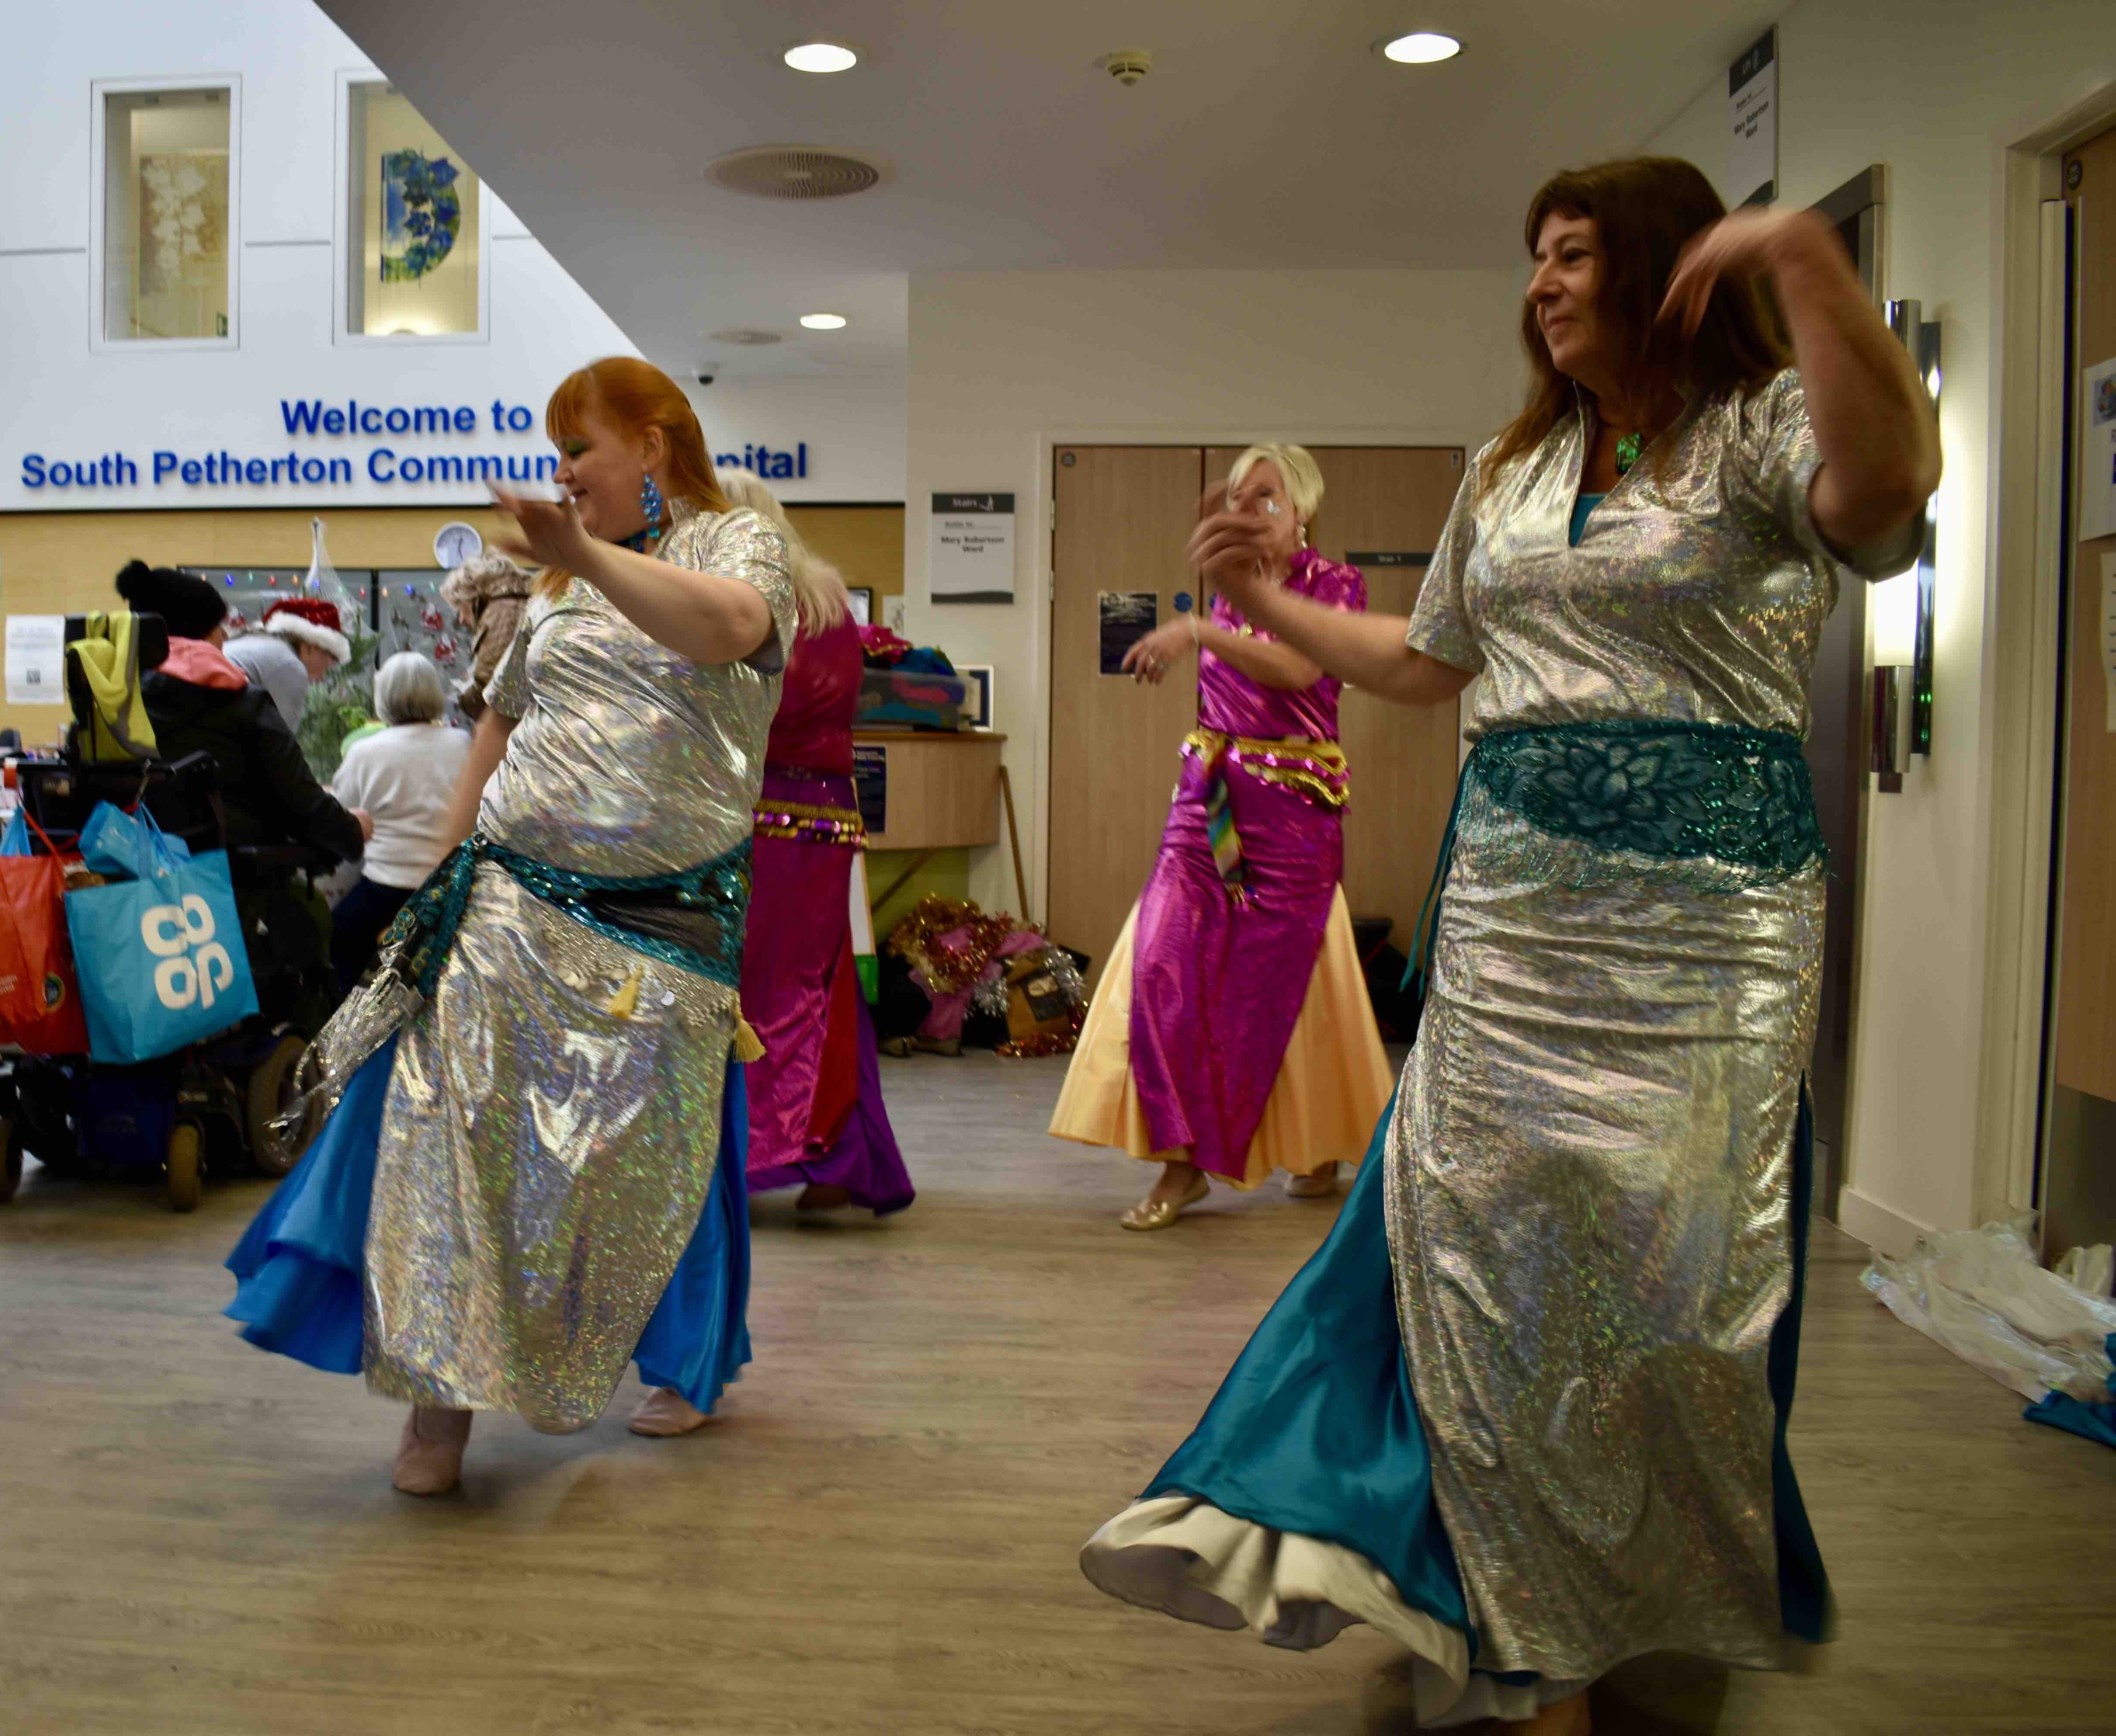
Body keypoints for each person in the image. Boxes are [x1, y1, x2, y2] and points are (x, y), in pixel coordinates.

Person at [1079, 158, 1940, 1734]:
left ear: (1673, 269)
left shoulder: (1755, 432)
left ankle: (1632, 1587)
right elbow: (1419, 666)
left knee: (1672, 1290)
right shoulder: (1514, 466)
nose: (1540, 285)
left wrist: (1813, 265)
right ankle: (1508, 1624)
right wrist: (1256, 595)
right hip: (1514, 917)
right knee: (1488, 1270)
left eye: (1573, 255)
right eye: (1532, 258)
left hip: (1707, 936)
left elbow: (1883, 497)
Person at [225, 356, 791, 1495]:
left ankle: (674, 1357)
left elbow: (730, 630)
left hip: (659, 921)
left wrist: (583, 554)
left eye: (579, 448)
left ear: (655, 445)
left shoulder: (734, 545)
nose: (563, 474)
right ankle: (437, 1405)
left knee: (636, 1164)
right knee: (444, 1127)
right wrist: (435, 880)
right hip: (508, 900)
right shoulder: (555, 587)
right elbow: (500, 725)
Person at [1048, 447, 1392, 1229]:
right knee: (1164, 962)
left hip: (1295, 817)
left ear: (1302, 507)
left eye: (1265, 496)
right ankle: (1182, 1161)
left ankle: (1311, 1143)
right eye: (1237, 497)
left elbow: (1299, 670)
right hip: (1209, 804)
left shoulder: (1333, 586)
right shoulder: (1230, 592)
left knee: (1282, 989)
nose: (1248, 509)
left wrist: (1198, 628)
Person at [717, 468, 914, 1218]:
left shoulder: (759, 607)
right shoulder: (830, 603)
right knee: (822, 989)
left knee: (760, 992)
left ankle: (757, 1152)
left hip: (762, 822)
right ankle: (833, 1156)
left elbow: (748, 717)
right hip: (825, 821)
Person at [113, 562, 367, 866]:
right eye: (218, 626)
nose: (226, 637)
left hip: (129, 867)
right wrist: (354, 831)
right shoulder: (244, 703)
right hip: (228, 877)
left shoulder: (114, 699)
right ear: (197, 633)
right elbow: (296, 796)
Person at [326, 652, 470, 993]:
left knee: (337, 939)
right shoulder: (463, 743)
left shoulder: (365, 751)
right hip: (448, 890)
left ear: (383, 697)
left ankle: (352, 1033)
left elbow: (342, 814)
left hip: (384, 890)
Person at [224, 597, 351, 734]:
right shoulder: (290, 665)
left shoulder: (266, 646)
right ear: (313, 647)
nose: (325, 673)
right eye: (333, 659)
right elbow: (281, 740)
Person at [437, 552, 536, 720]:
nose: (461, 619)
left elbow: (491, 692)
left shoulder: (502, 612)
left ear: (471, 596)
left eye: (460, 607)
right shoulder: (525, 601)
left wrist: (463, 698)